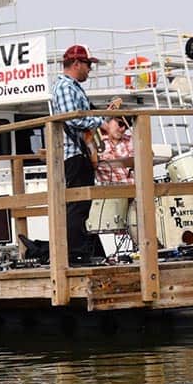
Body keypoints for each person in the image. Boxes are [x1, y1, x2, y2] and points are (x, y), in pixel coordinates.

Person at [51, 44, 109, 264]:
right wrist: (102, 123)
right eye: (87, 64)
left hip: (77, 153)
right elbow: (73, 119)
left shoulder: (69, 86)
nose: (89, 70)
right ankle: (75, 254)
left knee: (80, 206)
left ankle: (80, 252)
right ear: (76, 64)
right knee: (77, 206)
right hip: (73, 154)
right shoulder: (66, 87)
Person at [95, 116, 135, 184]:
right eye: (120, 124)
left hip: (135, 187)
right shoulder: (97, 143)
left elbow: (149, 156)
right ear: (109, 121)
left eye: (126, 126)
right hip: (111, 190)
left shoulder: (132, 140)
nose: (123, 129)